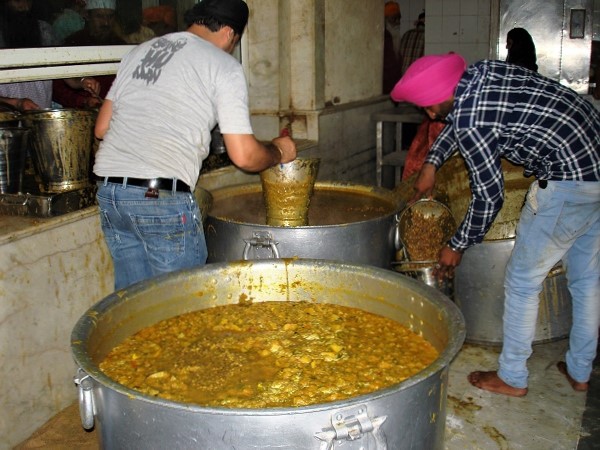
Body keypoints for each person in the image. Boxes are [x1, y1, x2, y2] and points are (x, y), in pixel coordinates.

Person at [391, 53, 600, 397]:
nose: (429, 115)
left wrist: (457, 244)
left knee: (522, 282)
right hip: (594, 164)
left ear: (440, 98)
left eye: (429, 108)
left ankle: (513, 377)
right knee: (586, 280)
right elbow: (458, 119)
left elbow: (489, 196)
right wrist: (431, 163)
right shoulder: (482, 72)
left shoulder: (472, 120)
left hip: (568, 182)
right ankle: (580, 371)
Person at [92, 0, 298, 291]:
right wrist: (279, 151)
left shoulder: (139, 53)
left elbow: (101, 129)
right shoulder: (223, 65)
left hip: (112, 194)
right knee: (182, 304)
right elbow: (244, 156)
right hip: (159, 198)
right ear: (230, 34)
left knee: (133, 305)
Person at [0, 0, 98, 110]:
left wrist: (82, 81)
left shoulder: (44, 31)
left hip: (40, 118)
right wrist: (15, 103)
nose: (23, 6)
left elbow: (64, 70)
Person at [52, 0, 125, 108]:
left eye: (110, 17)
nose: (106, 23)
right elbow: (58, 87)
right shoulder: (73, 44)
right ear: (87, 15)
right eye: (99, 16)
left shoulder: (121, 46)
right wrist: (84, 101)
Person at [383, 1, 402, 94]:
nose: (397, 22)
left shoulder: (393, 38)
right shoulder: (385, 37)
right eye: (393, 19)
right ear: (385, 20)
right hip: (386, 90)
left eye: (399, 18)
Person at [398, 11, 425, 76]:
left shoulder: (406, 34)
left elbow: (399, 55)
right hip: (417, 76)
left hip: (404, 75)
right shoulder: (427, 37)